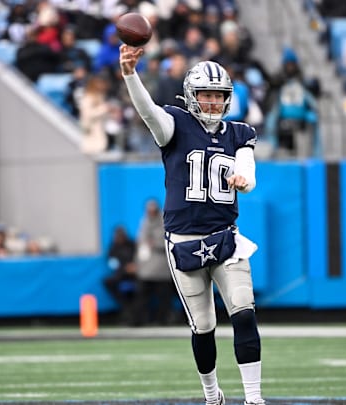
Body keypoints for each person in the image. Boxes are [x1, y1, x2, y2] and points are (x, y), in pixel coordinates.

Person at [119, 44, 264, 405]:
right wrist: (130, 74)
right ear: (191, 95)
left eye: (219, 95)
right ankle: (212, 396)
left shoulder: (239, 133)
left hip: (225, 238)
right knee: (204, 326)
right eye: (206, 95)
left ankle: (254, 398)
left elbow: (248, 170)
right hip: (184, 242)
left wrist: (244, 180)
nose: (213, 102)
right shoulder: (175, 124)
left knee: (244, 312)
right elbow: (148, 111)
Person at [132, 198, 177, 326]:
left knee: (164, 297)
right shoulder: (145, 222)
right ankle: (140, 320)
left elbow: (169, 241)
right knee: (142, 296)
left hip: (161, 267)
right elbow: (140, 244)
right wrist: (136, 263)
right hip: (145, 267)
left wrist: (155, 243)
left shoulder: (165, 222)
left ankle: (163, 320)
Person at [102, 225, 137, 322]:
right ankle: (126, 307)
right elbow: (112, 263)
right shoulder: (113, 247)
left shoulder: (132, 245)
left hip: (134, 275)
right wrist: (124, 268)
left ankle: (135, 312)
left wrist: (134, 266)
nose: (119, 238)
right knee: (108, 282)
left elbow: (139, 258)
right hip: (120, 275)